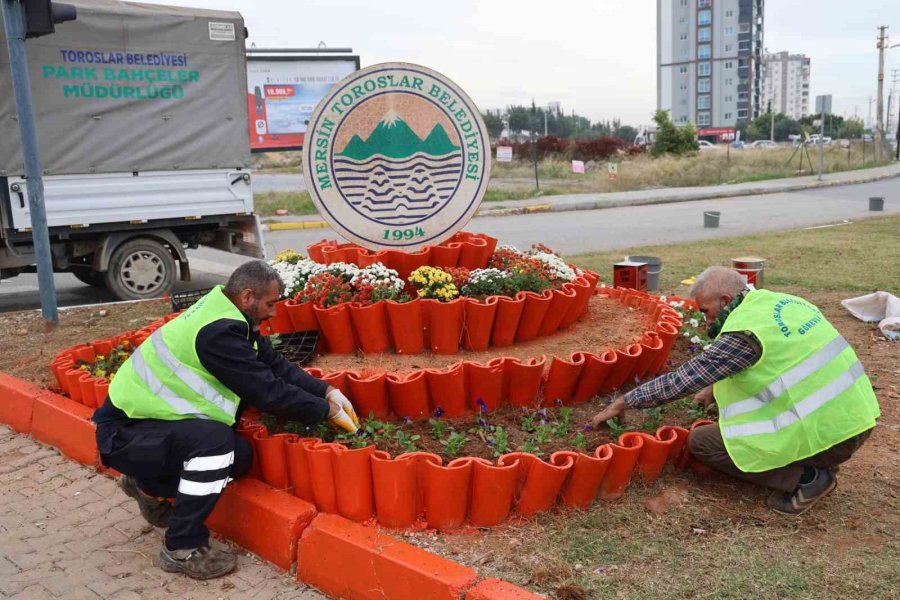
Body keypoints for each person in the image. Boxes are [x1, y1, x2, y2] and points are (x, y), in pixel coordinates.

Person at [92, 260, 359, 579]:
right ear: (248, 296)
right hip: (126, 432)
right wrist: (326, 413)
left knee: (239, 457)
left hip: (150, 425)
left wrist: (327, 392)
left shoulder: (228, 312)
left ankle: (147, 484)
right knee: (216, 446)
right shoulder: (219, 333)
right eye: (270, 303)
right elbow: (268, 392)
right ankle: (181, 548)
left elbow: (274, 365)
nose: (274, 312)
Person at [590, 267, 880, 515]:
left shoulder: (744, 332)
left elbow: (683, 380)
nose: (705, 320)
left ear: (726, 300)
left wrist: (625, 401)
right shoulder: (775, 303)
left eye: (705, 311)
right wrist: (715, 388)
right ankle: (816, 462)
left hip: (828, 436)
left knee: (703, 442)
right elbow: (780, 362)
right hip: (856, 418)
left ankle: (806, 477)